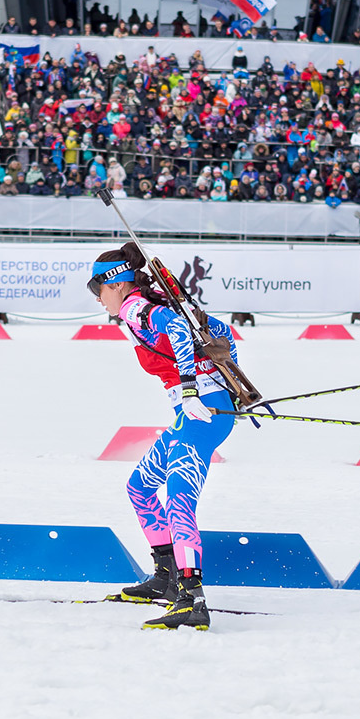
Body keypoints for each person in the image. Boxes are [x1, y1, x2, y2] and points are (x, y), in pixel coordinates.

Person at [88, 242, 242, 630]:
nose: (98, 298)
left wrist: (192, 387)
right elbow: (220, 331)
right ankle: (167, 578)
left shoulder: (134, 307)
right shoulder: (151, 303)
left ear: (117, 284)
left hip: (200, 411)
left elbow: (177, 329)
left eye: (97, 289)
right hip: (201, 410)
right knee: (140, 486)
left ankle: (192, 597)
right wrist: (235, 387)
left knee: (178, 497)